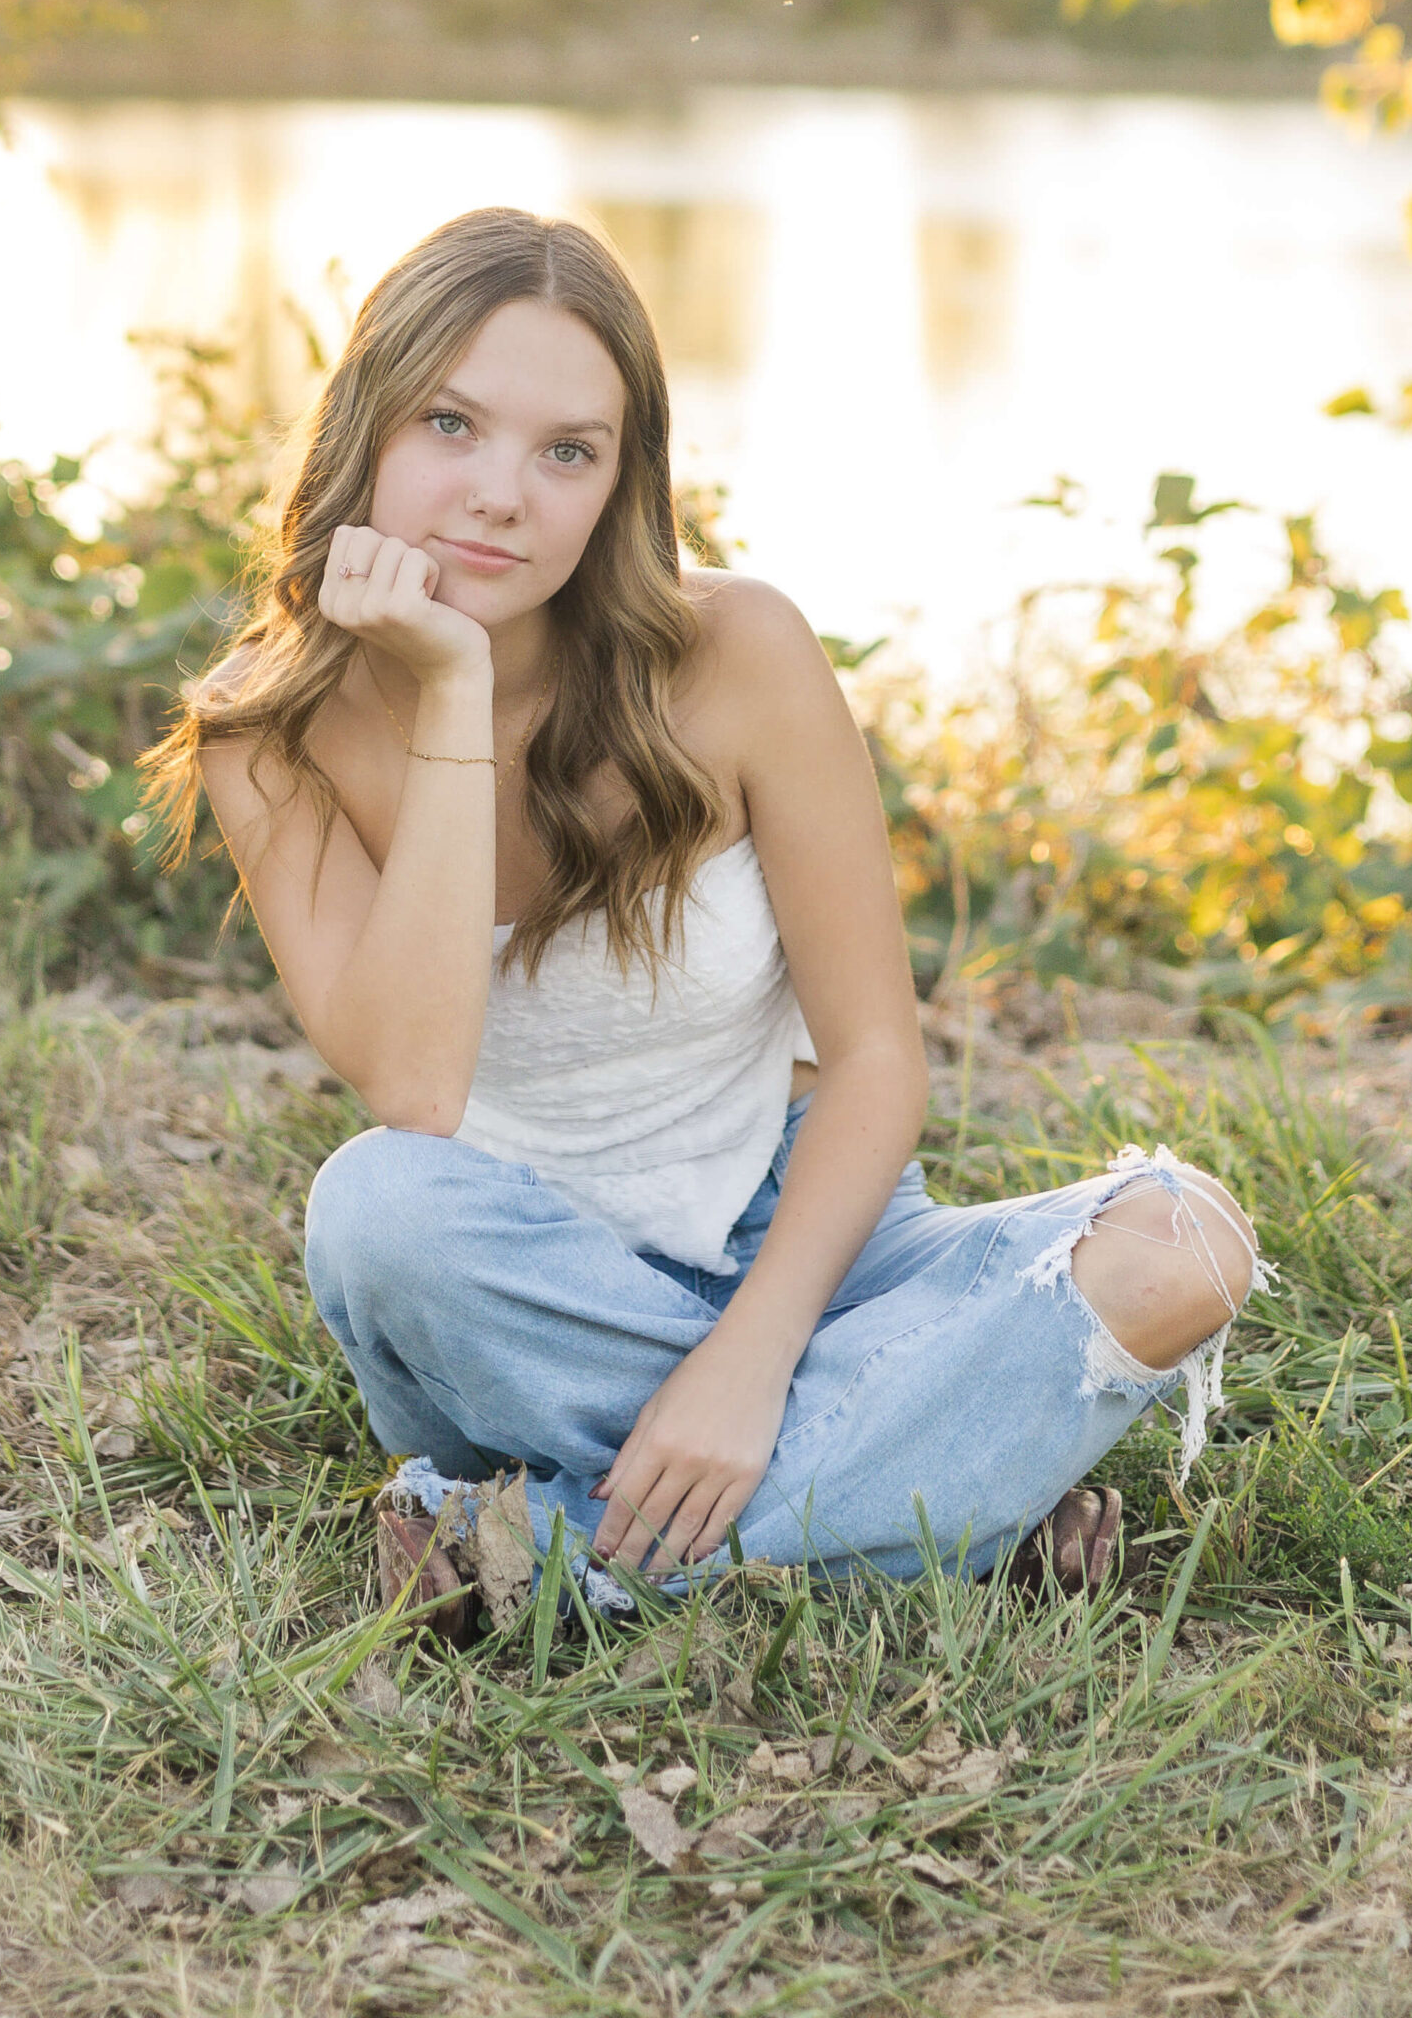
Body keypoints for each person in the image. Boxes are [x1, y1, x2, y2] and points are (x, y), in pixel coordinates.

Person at [144, 206, 1267, 1636]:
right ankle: (950, 1488)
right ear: (365, 427)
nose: (503, 494)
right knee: (370, 1208)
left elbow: (874, 1061)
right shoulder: (274, 727)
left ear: (624, 479)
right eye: (451, 424)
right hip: (510, 1287)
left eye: (568, 451)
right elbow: (414, 1087)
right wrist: (449, 693)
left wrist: (755, 1355)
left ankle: (543, 1545)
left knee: (1189, 1240)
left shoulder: (740, 656)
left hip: (799, 1235)